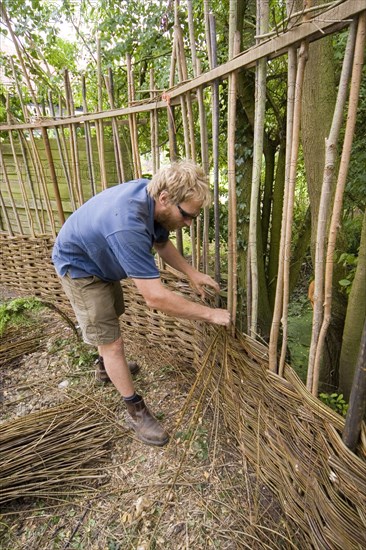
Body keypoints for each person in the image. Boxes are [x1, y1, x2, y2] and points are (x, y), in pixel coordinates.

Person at [52, 160, 230, 447]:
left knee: (111, 316)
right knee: (111, 342)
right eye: (187, 215)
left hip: (102, 256)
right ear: (164, 199)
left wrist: (192, 273)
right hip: (80, 266)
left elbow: (161, 243)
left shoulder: (149, 198)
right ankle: (134, 410)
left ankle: (104, 368)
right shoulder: (128, 226)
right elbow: (155, 298)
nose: (188, 223)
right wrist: (210, 314)